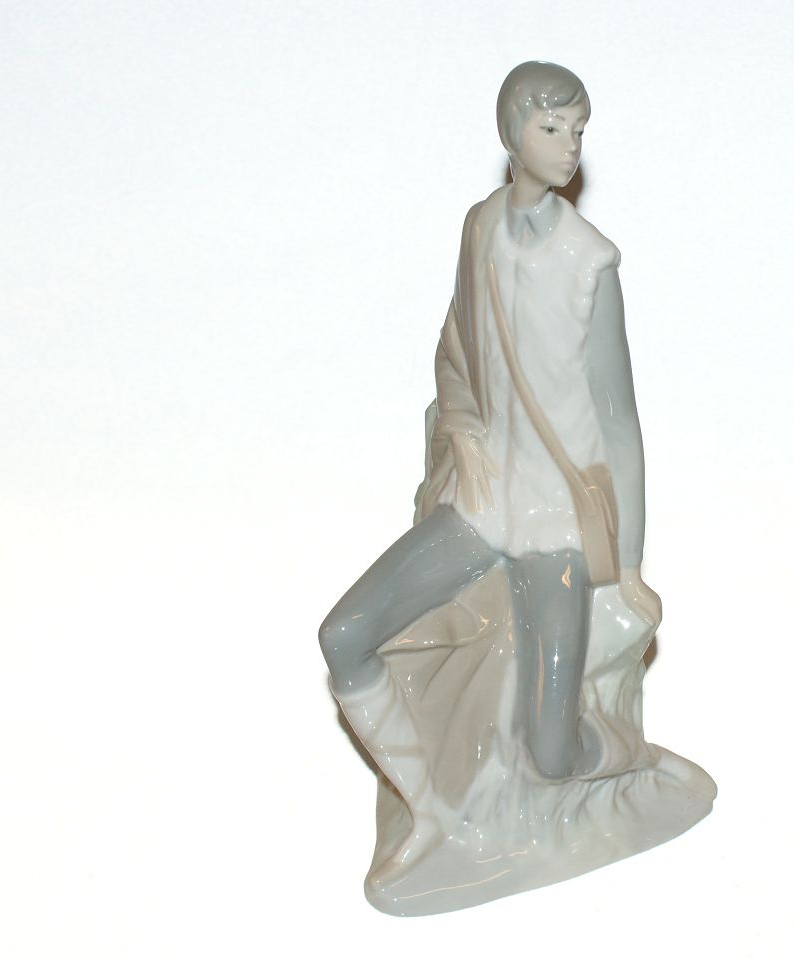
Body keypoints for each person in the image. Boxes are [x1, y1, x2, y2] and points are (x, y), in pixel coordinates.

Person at [318, 62, 713, 916]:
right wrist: (463, 439)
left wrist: (629, 565)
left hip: (557, 528)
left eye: (578, 129)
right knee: (344, 637)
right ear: (511, 135)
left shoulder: (591, 264)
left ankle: (624, 758)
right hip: (481, 505)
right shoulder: (479, 229)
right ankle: (434, 810)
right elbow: (456, 346)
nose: (570, 145)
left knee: (552, 749)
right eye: (552, 128)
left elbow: (621, 425)